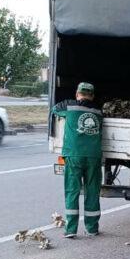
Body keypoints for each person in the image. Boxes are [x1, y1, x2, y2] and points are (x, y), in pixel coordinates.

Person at [52, 82, 104, 238]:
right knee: (92, 191)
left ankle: (71, 229)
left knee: (72, 191)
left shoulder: (69, 107)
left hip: (74, 155)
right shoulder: (98, 111)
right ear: (93, 96)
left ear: (77, 94)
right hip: (93, 156)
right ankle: (92, 228)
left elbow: (54, 110)